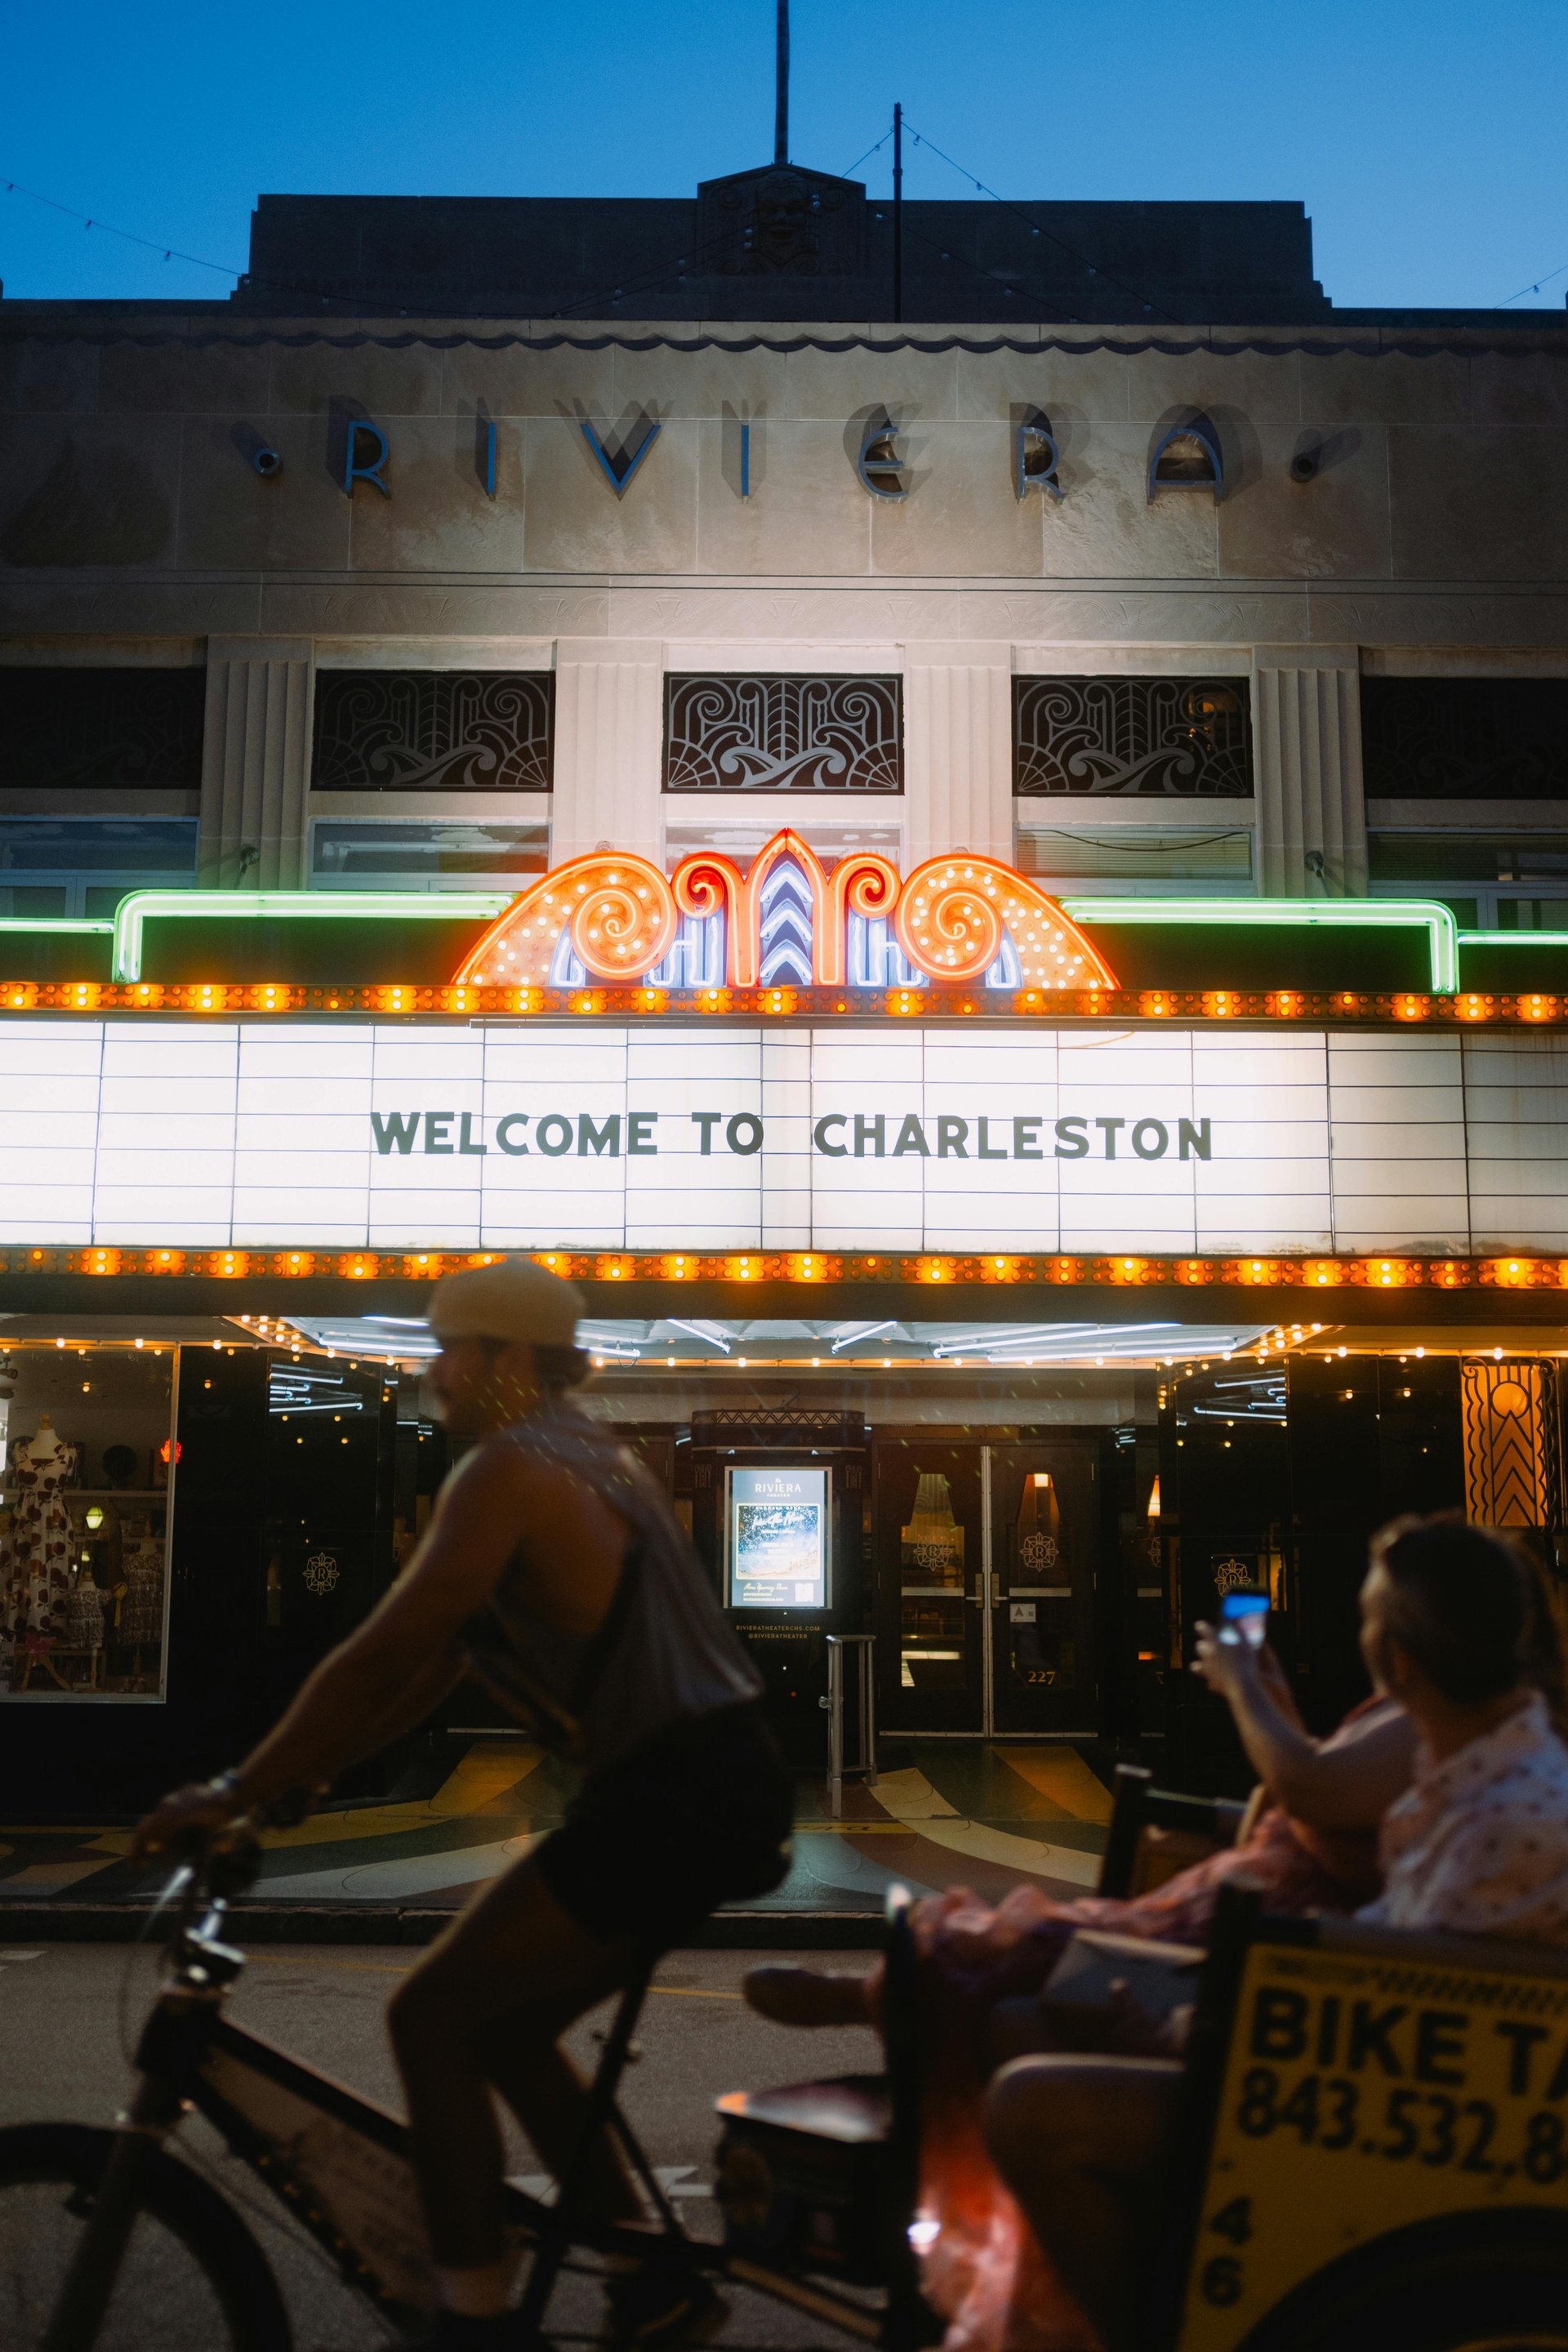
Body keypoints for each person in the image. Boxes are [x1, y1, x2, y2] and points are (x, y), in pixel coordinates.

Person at [133, 1258, 793, 2352]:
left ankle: (472, 2316)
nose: (433, 1372)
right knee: (509, 2030)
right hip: (717, 1780)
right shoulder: (597, 1455)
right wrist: (309, 1777)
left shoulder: (508, 1470)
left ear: (509, 1358)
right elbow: (440, 1664)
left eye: (451, 1350)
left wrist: (236, 1789)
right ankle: (646, 2276)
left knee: (431, 2018)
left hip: (669, 1793)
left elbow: (384, 1649)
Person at [982, 1513, 1568, 2352]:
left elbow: (1412, 1985)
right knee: (1029, 2012)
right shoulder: (1476, 1766)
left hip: (1350, 2099)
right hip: (1336, 2044)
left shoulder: (1511, 1813)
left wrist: (1214, 2004)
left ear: (1399, 1659)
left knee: (1027, 2102)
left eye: (1366, 1619)